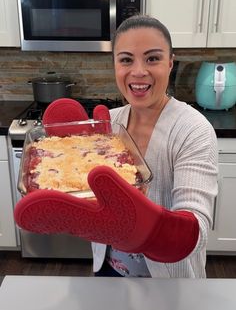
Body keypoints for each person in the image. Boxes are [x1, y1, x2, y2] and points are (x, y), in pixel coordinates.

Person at [14, 15, 218, 278]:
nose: (138, 71)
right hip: (107, 266)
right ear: (115, 66)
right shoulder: (109, 122)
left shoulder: (193, 130)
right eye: (126, 60)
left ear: (170, 63)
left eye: (152, 58)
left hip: (169, 280)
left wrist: (138, 229)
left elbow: (197, 231)